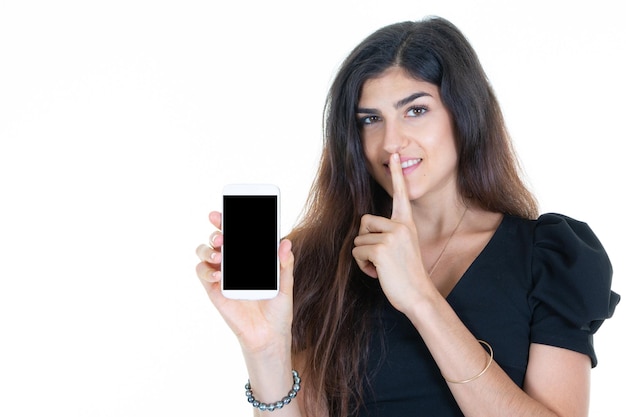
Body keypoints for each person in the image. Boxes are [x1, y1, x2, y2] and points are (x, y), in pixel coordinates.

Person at [195, 16, 620, 417]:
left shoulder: (549, 257)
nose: (391, 141)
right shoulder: (318, 259)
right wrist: (264, 349)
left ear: (464, 114)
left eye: (415, 110)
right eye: (370, 119)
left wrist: (420, 297)